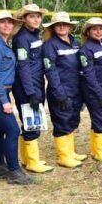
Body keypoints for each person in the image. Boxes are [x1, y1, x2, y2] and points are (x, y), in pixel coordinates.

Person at [0, 10, 33, 185]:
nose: (7, 25)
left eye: (9, 22)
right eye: (3, 22)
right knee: (13, 130)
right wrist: (4, 101)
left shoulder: (3, 43)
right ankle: (14, 171)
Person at [42, 12, 86, 168]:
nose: (62, 27)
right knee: (62, 122)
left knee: (73, 119)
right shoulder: (49, 45)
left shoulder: (75, 42)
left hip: (76, 89)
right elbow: (50, 71)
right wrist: (60, 94)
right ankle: (63, 157)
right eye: (58, 25)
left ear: (70, 27)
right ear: (53, 27)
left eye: (64, 24)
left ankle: (71, 152)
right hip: (60, 91)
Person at [12, 4, 52, 173]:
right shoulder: (22, 38)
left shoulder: (35, 34)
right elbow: (23, 66)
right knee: (32, 123)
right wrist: (30, 92)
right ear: (24, 19)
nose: (36, 20)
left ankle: (26, 159)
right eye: (32, 16)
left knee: (32, 121)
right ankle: (32, 162)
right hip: (27, 86)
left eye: (38, 16)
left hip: (37, 82)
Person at [79, 17, 102, 163]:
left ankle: (97, 150)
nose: (98, 31)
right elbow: (88, 74)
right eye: (94, 29)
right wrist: (99, 92)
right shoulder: (86, 49)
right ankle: (100, 153)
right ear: (88, 31)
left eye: (101, 28)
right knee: (100, 118)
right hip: (94, 90)